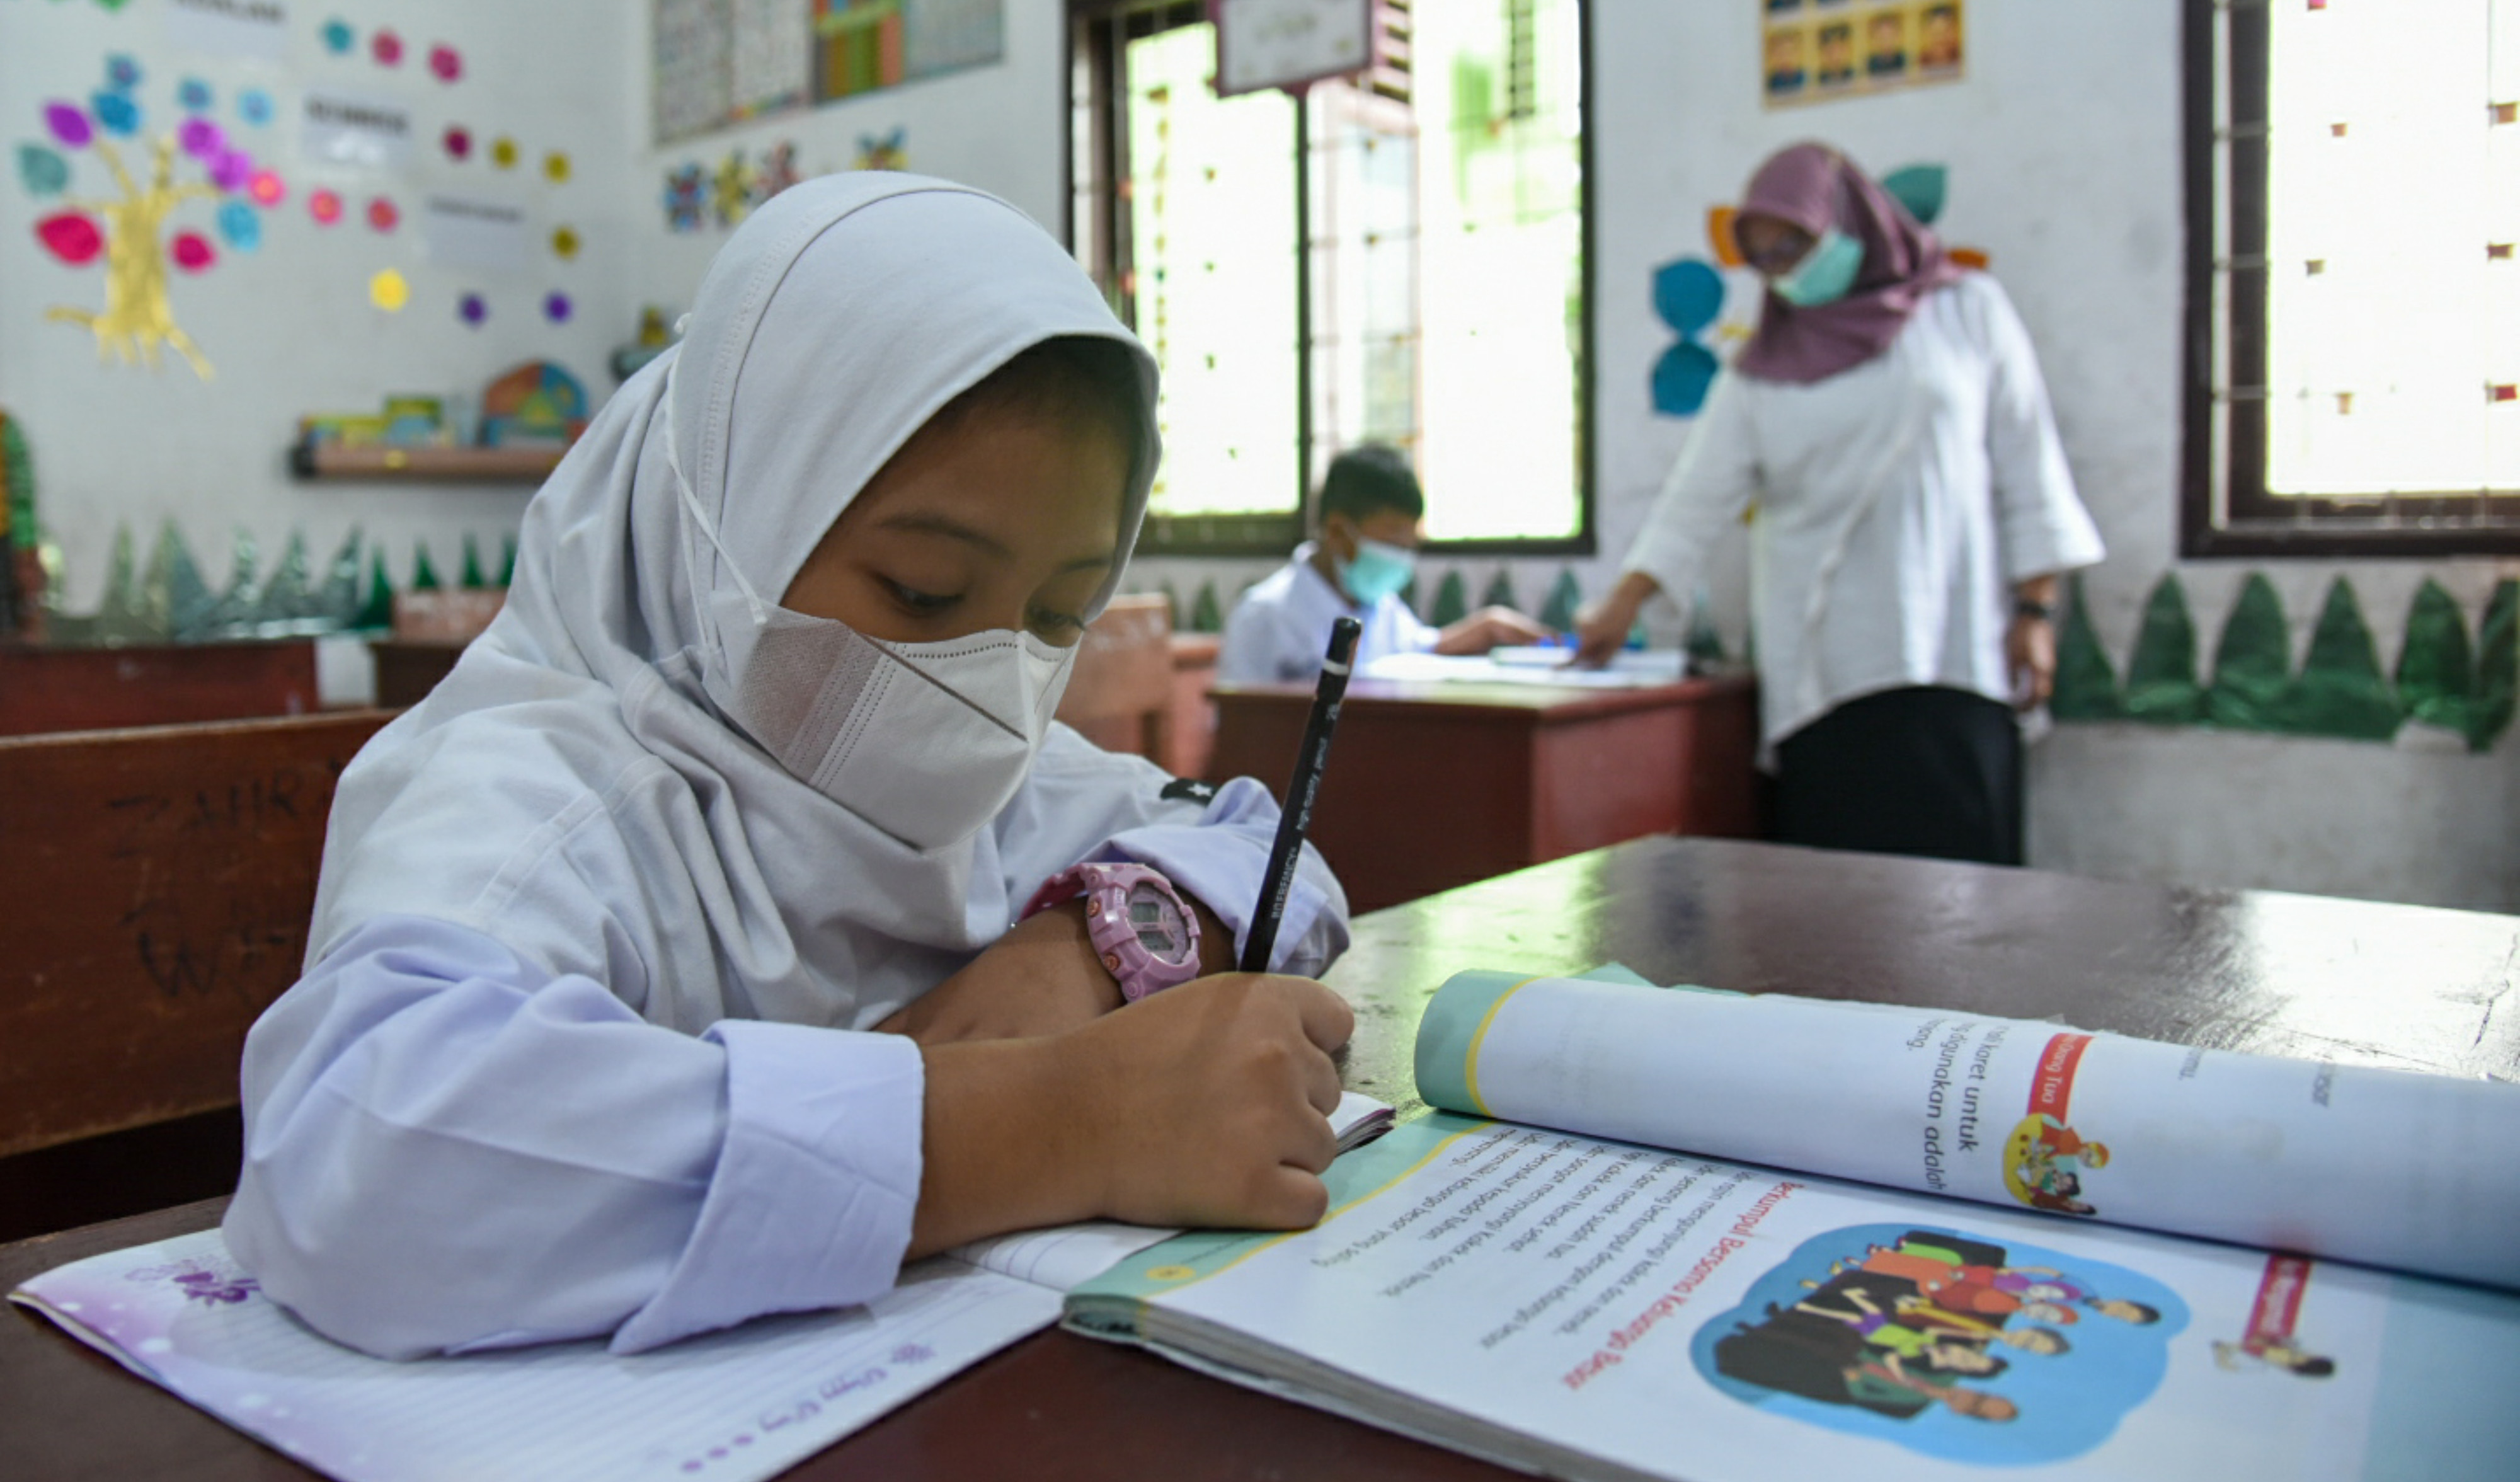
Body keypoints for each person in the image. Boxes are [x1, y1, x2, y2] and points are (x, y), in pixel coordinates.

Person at [224, 175, 1358, 1360]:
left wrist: (1090, 945)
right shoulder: (536, 804)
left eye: (1058, 613)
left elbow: (1271, 852)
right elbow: (375, 1151)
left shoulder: (988, 786)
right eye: (923, 590)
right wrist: (1057, 1121)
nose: (988, 675)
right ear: (726, 510)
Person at [1574, 146, 2102, 867]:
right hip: (1826, 674)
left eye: (1794, 244)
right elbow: (1695, 498)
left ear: (1853, 222)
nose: (1784, 270)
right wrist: (1622, 604)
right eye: (1763, 259)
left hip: (1956, 652)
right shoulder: (1760, 365)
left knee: (1974, 907)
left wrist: (2035, 614)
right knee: (1836, 905)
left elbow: (2028, 463)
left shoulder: (1965, 311)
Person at [1215, 443, 1547, 686]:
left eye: (1408, 548)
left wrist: (1487, 627)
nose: (1401, 561)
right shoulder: (1265, 615)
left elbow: (1421, 649)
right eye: (1391, 545)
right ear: (1337, 531)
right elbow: (1240, 729)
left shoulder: (1380, 605)